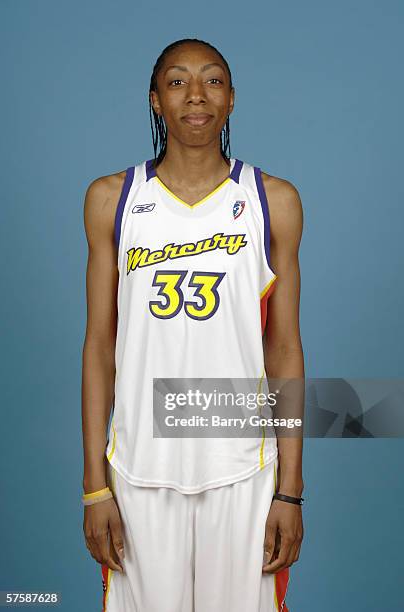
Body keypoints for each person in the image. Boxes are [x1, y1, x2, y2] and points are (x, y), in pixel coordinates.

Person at [81, 37, 304, 612]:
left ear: (231, 100)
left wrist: (291, 490)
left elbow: (283, 350)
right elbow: (99, 347)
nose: (196, 95)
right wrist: (94, 486)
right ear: (156, 100)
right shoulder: (113, 199)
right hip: (138, 467)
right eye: (178, 82)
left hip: (244, 468)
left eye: (212, 81)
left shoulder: (271, 199)